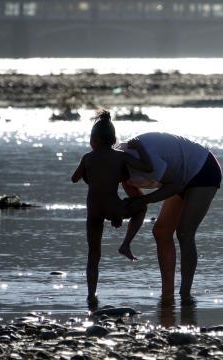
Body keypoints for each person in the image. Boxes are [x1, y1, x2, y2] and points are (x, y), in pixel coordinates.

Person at [118, 132, 222, 301]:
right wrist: (126, 243)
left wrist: (145, 199)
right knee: (161, 231)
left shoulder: (140, 161)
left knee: (184, 232)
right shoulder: (123, 175)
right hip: (180, 175)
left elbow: (174, 186)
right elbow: (139, 207)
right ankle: (167, 293)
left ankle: (185, 294)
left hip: (203, 169)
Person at [71, 110, 153, 307]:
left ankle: (91, 295)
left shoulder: (87, 157)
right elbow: (148, 167)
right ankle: (126, 244)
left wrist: (88, 170)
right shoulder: (121, 157)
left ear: (95, 139)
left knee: (93, 254)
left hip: (93, 211)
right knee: (141, 206)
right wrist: (140, 148)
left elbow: (74, 178)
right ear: (114, 138)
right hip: (113, 206)